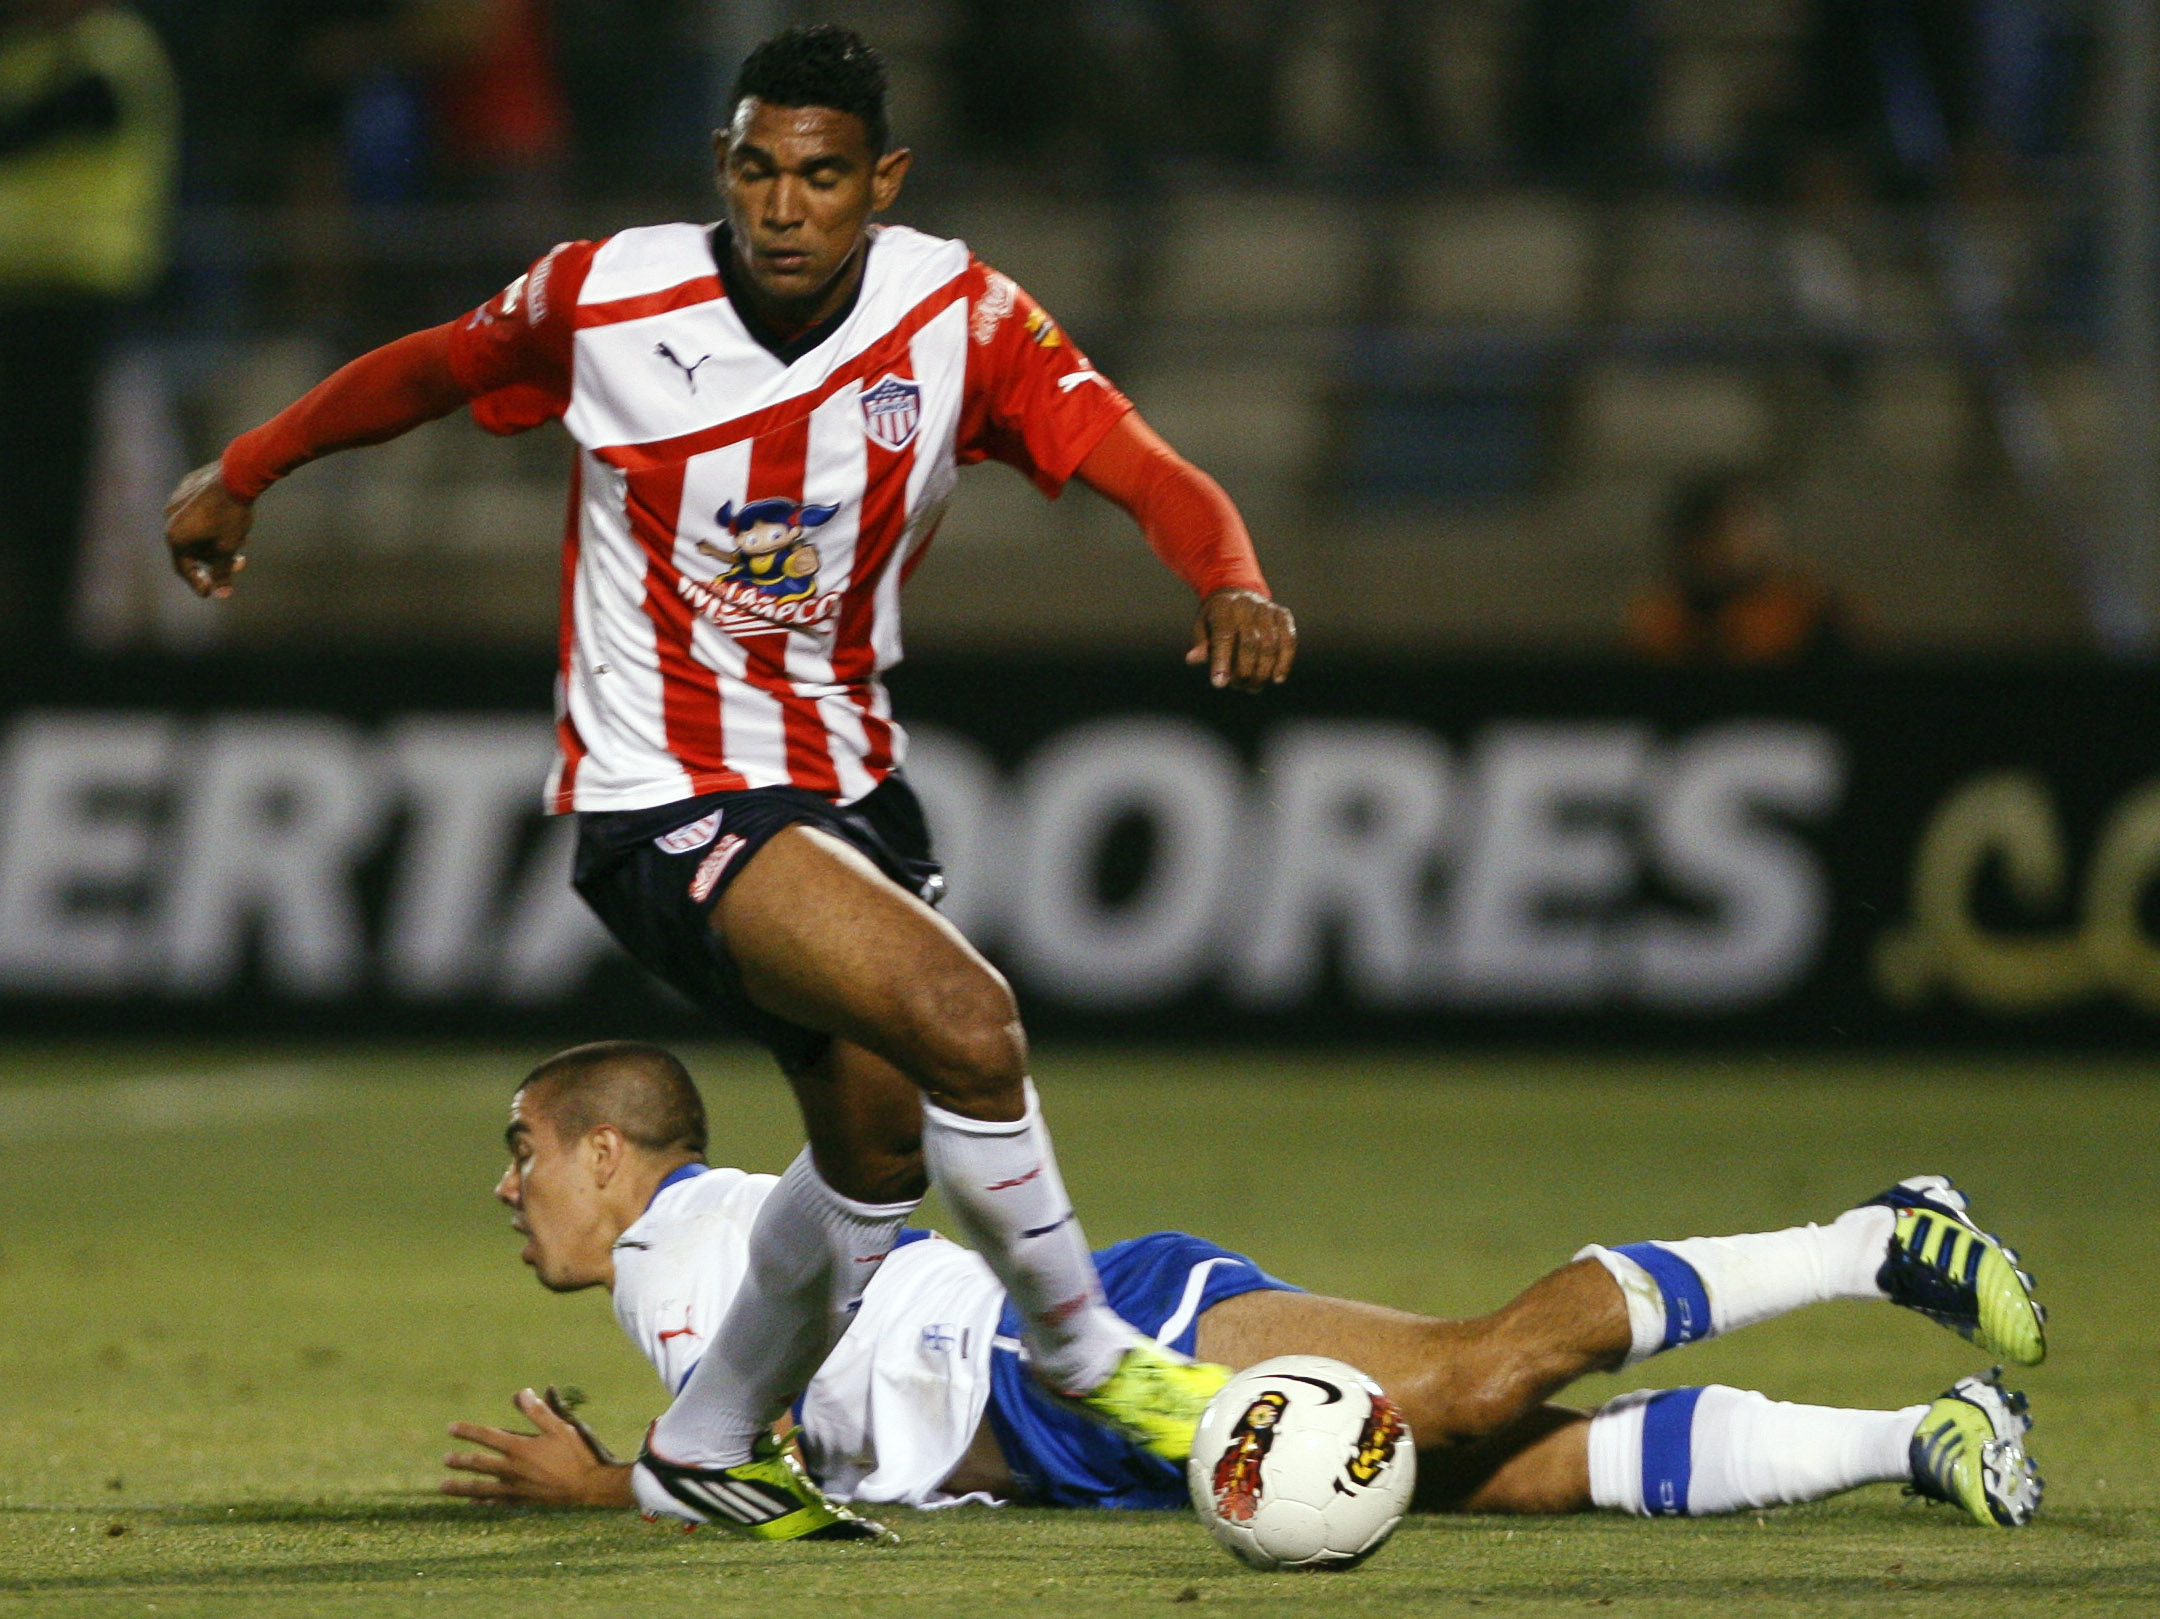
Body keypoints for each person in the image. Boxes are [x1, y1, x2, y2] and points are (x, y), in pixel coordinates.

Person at [162, 25, 1297, 1543]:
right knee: (970, 1022)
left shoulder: (958, 314)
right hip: (661, 792)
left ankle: (705, 1444)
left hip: (846, 789)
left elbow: (1143, 462)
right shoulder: (606, 290)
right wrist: (247, 466)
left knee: (877, 1157)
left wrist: (1226, 569)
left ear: (879, 181)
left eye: (821, 177)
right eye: (757, 169)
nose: (783, 207)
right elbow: (430, 368)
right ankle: (1091, 1353)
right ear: (723, 164)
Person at [441, 1042, 2046, 1530]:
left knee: (1476, 1372)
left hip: (1078, 1357)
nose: (508, 1184)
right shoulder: (718, 1238)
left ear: (606, 1150)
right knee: (1506, 1473)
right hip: (1069, 1437)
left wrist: (603, 1490)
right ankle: (1925, 1436)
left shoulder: (669, 1241)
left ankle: (1871, 1236)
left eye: (523, 1146)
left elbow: (757, 1480)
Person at [0, 0, 176, 662]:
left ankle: (66, 650)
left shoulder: (110, 53)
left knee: (73, 489)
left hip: (82, 311)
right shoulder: (27, 53)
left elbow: (31, 126)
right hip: (16, 310)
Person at [1624, 471, 1861, 666]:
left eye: (1750, 526)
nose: (1743, 541)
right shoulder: (1665, 616)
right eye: (1722, 530)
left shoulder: (1809, 609)